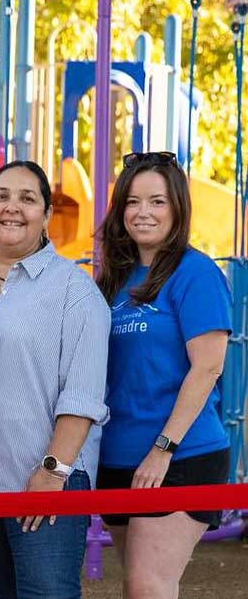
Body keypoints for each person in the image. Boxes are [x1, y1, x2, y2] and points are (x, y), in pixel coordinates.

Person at [0, 160, 110, 599]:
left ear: (47, 214)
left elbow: (83, 395)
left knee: (46, 595)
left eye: (28, 198)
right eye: (2, 196)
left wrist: (52, 472)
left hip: (45, 477)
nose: (13, 208)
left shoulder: (75, 290)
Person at [95, 151, 231, 599]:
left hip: (179, 455)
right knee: (139, 586)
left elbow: (208, 366)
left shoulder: (196, 273)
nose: (142, 213)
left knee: (147, 586)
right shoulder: (114, 279)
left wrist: (162, 449)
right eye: (132, 202)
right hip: (117, 456)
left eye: (156, 201)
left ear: (177, 207)